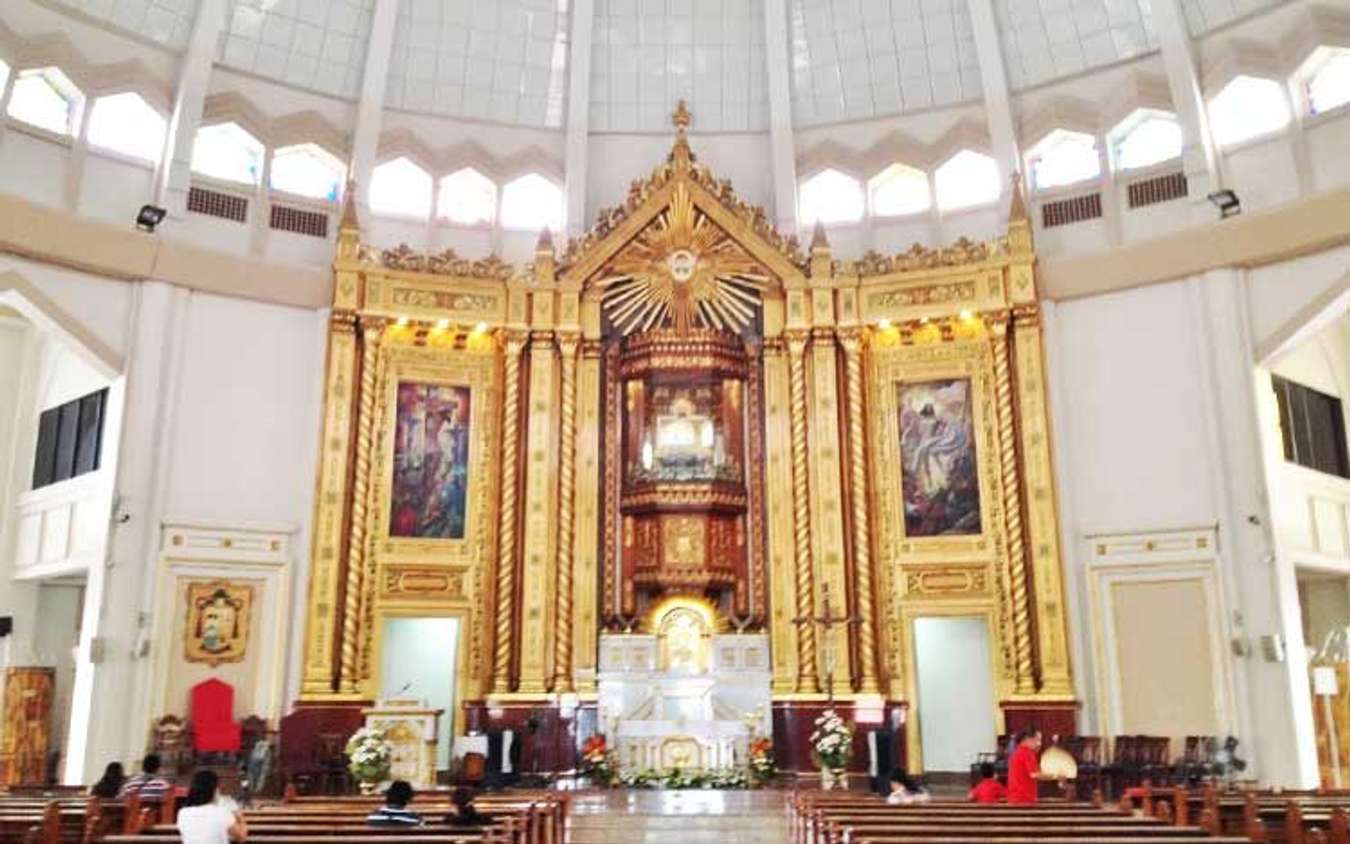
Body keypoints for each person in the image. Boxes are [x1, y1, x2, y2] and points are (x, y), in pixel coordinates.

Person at [177, 770, 247, 844]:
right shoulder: (222, 812)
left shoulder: (183, 813)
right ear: (214, 791)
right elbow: (241, 837)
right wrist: (240, 817)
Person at [1007, 728, 1055, 804]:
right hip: (1025, 798)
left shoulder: (1016, 752)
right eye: (1037, 740)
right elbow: (1034, 774)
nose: (1039, 743)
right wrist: (1053, 776)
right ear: (1027, 739)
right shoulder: (1027, 753)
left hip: (1015, 797)